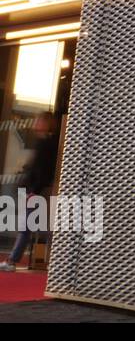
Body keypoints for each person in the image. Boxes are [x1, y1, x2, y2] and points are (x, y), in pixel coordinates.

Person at [0, 112, 60, 272]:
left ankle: (13, 260)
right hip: (40, 190)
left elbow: (42, 170)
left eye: (40, 120)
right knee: (41, 227)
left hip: (38, 191)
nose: (36, 122)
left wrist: (34, 190)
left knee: (29, 226)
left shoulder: (45, 143)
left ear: (46, 123)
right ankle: (56, 261)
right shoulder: (49, 142)